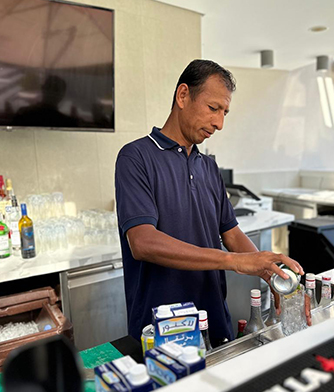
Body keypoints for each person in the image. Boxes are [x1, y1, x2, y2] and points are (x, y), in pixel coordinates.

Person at [115, 59, 304, 347]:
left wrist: (270, 272)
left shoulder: (209, 167)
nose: (219, 123)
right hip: (163, 328)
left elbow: (231, 233)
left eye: (224, 112)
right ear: (183, 96)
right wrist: (234, 261)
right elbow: (143, 242)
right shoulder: (136, 157)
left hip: (213, 319)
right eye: (213, 108)